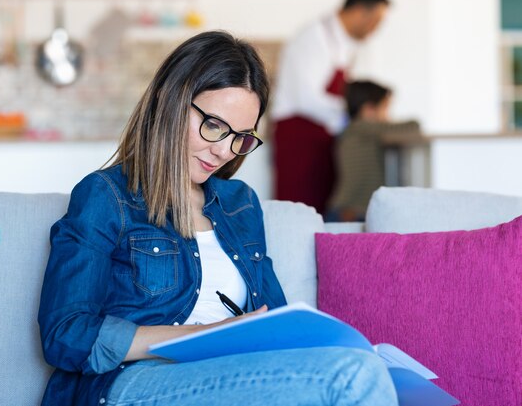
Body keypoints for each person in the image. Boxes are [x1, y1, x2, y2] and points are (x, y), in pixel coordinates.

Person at [38, 31, 398, 406]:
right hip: (132, 384)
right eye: (214, 126)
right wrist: (210, 334)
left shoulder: (240, 204)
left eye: (240, 137)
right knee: (354, 375)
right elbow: (66, 335)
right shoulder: (106, 195)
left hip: (231, 380)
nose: (224, 150)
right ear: (171, 101)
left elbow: (273, 320)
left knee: (367, 368)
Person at [272, 0, 390, 215]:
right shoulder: (312, 37)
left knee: (322, 211)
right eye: (375, 21)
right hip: (299, 137)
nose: (374, 29)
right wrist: (351, 114)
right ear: (358, 12)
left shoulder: (347, 45)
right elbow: (305, 97)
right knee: (298, 210)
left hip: (324, 138)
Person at [327, 80, 420, 222]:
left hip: (348, 211)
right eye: (386, 107)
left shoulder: (355, 131)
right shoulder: (362, 128)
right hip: (350, 213)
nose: (389, 116)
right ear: (369, 110)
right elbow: (413, 126)